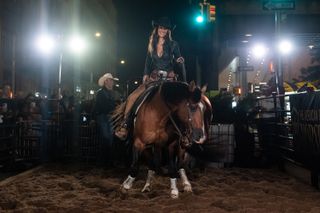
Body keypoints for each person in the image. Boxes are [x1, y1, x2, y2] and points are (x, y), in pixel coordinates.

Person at [115, 17, 185, 140]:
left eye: (165, 28)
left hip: (169, 79)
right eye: (161, 27)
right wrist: (145, 74)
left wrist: (179, 60)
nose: (163, 30)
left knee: (182, 101)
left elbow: (178, 57)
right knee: (132, 97)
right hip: (154, 78)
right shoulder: (151, 43)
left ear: (168, 31)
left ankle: (184, 131)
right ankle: (124, 125)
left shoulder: (174, 44)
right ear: (157, 29)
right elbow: (148, 61)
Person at [94, 72, 121, 167]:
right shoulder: (101, 93)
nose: (112, 82)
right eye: (111, 80)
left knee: (109, 138)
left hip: (108, 117)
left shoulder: (108, 93)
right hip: (103, 117)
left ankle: (106, 161)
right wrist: (114, 106)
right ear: (106, 82)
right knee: (107, 138)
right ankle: (105, 161)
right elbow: (101, 107)